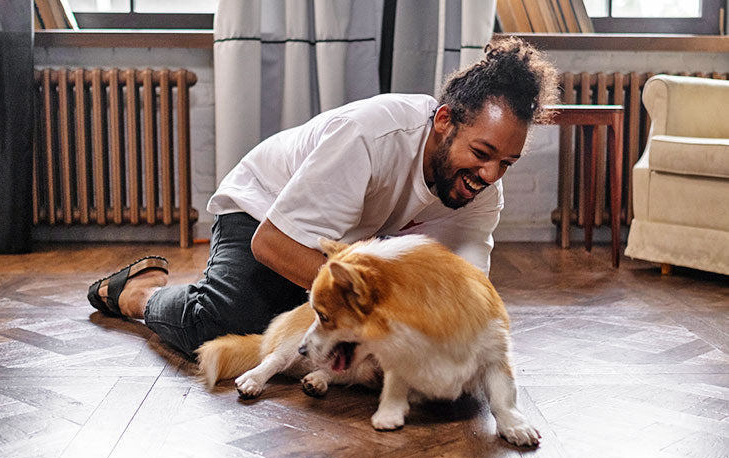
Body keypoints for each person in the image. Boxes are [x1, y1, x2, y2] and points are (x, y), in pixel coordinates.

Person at [87, 36, 559, 360]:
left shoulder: (481, 189)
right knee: (226, 324)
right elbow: (270, 245)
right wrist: (377, 307)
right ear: (443, 121)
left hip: (341, 250)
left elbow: (464, 287)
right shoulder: (371, 135)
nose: (490, 175)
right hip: (263, 215)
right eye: (482, 153)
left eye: (507, 164)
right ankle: (139, 292)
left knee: (312, 337)